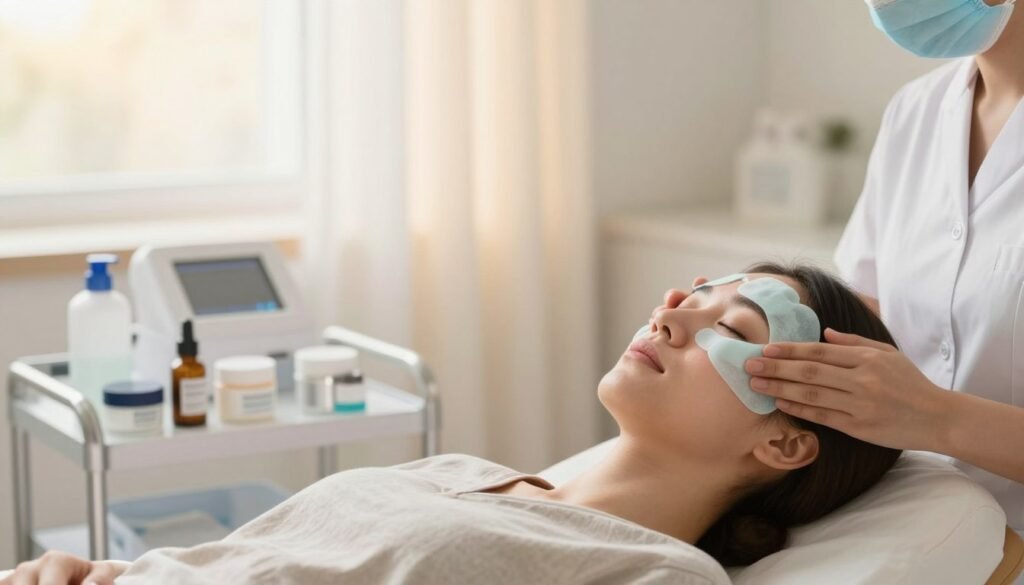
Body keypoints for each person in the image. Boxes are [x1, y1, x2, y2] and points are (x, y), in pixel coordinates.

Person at [3, 263, 901, 585]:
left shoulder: (655, 573)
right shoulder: (455, 469)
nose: (671, 315)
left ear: (782, 441)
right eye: (697, 292)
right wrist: (94, 567)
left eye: (732, 332)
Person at [682, 0, 1024, 543]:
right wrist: (740, 317)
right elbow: (865, 310)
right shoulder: (916, 111)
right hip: (906, 519)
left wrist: (938, 418)